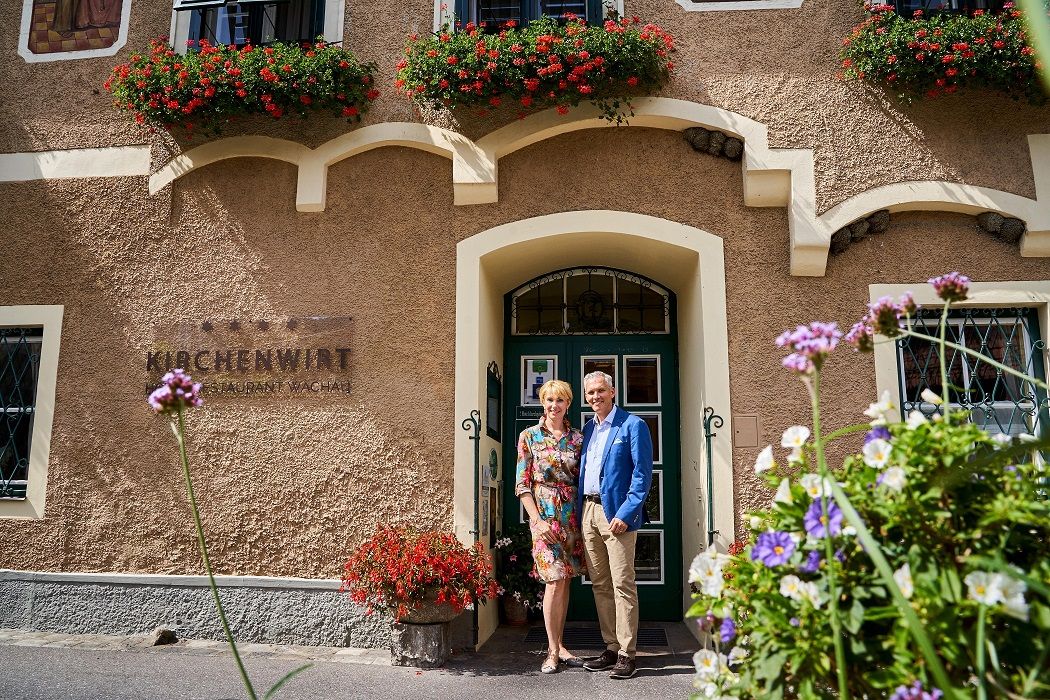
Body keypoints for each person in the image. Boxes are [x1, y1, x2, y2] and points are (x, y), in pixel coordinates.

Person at [576, 370, 653, 680]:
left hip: (617, 515)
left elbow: (642, 474)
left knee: (623, 583)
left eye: (600, 391)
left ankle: (627, 653)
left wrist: (627, 511)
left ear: (613, 392)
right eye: (590, 393)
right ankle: (610, 646)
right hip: (588, 511)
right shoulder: (587, 429)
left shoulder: (633, 425)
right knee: (600, 584)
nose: (595, 397)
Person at [515, 379, 587, 674]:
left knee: (565, 579)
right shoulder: (529, 436)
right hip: (543, 518)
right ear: (542, 403)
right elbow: (522, 483)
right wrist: (536, 519)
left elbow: (585, 479)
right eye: (549, 400)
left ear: (568, 403)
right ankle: (552, 651)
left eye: (560, 400)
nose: (554, 405)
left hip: (571, 518)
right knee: (553, 580)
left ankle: (560, 644)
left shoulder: (578, 439)